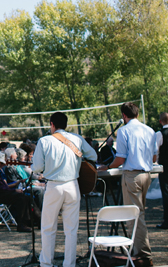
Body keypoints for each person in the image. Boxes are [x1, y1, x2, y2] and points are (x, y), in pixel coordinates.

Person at [33, 112, 98, 267]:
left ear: (52, 124)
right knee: (71, 229)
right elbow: (93, 156)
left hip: (54, 185)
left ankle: (46, 263)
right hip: (72, 185)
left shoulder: (44, 141)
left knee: (48, 227)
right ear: (66, 124)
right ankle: (69, 264)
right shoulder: (77, 139)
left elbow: (37, 167)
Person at [100, 102, 157, 266]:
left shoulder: (124, 131)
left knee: (134, 217)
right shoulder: (149, 130)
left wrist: (107, 166)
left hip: (132, 175)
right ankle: (139, 251)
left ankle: (143, 255)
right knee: (139, 214)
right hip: (147, 174)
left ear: (124, 116)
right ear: (137, 114)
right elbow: (154, 157)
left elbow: (120, 159)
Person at [0, 150, 31, 231]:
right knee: (21, 198)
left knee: (25, 197)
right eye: (1, 163)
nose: (2, 165)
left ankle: (29, 221)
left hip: (1, 193)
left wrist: (14, 188)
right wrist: (14, 191)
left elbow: (1, 186)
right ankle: (22, 224)